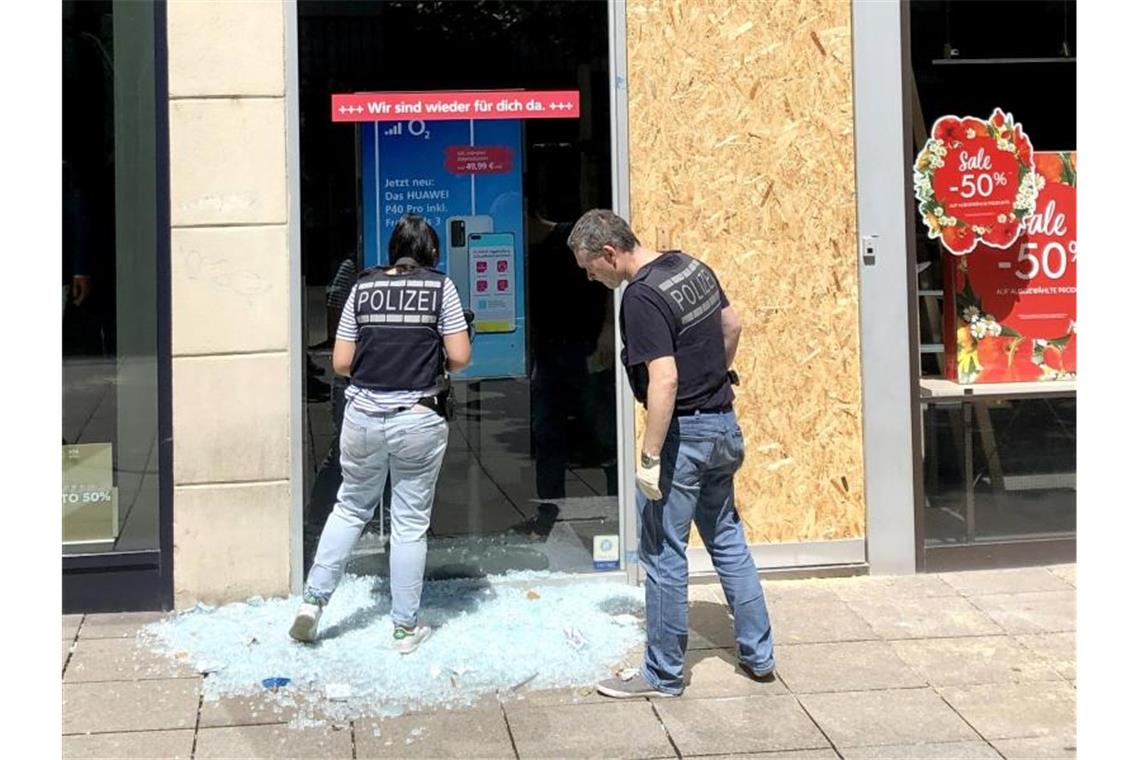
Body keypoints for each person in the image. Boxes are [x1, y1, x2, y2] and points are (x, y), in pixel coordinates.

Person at [566, 210, 775, 698]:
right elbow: (732, 325)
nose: (589, 276)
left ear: (610, 253)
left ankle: (661, 674)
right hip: (723, 424)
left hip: (685, 436)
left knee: (662, 554)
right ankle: (759, 655)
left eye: (589, 266)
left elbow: (664, 380)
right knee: (727, 539)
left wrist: (649, 457)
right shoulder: (689, 267)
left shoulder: (640, 298)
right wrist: (715, 381)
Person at [290, 214, 471, 654]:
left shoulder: (362, 287)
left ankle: (313, 603)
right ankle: (404, 630)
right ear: (432, 253)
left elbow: (340, 363)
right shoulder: (439, 287)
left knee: (350, 508)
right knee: (409, 524)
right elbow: (460, 357)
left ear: (392, 252)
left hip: (364, 417)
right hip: (418, 418)